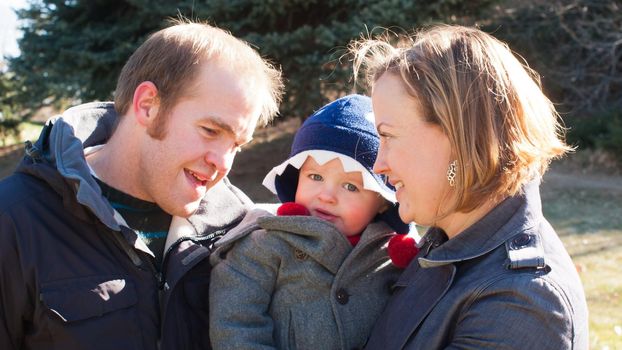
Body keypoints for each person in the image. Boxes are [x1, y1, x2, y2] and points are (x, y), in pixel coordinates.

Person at [0, 20, 283, 350]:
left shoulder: (240, 231)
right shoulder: (14, 220)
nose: (223, 163)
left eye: (237, 144)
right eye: (210, 130)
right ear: (148, 104)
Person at [350, 25, 589, 349]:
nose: (379, 164)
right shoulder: (447, 245)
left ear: (460, 140)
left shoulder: (520, 300)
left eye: (388, 136)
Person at [208, 94, 414, 350]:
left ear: (383, 202)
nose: (326, 196)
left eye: (350, 186)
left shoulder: (391, 261)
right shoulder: (265, 244)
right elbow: (235, 323)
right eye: (315, 176)